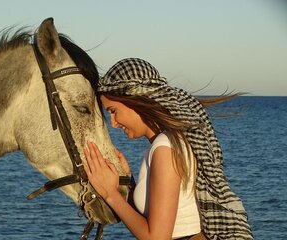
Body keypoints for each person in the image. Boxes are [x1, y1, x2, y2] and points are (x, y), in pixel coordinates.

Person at [83, 58, 253, 239]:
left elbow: (157, 237)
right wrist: (128, 183)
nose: (114, 123)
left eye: (113, 110)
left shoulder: (165, 147)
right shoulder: (168, 142)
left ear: (135, 101)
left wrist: (110, 194)